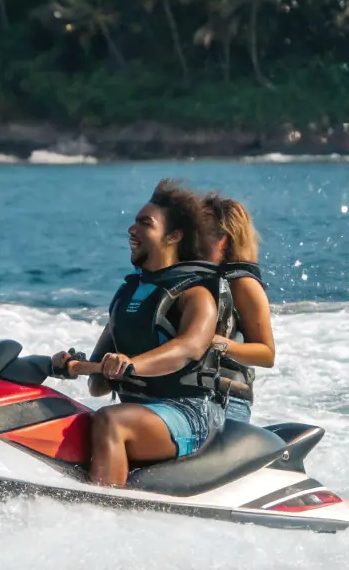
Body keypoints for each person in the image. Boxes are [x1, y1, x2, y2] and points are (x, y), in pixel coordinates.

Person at [52, 179, 227, 487]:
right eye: (133, 222)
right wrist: (74, 364)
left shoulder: (196, 296)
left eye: (144, 223)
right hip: (140, 411)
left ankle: (102, 513)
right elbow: (97, 388)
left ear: (174, 236)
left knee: (110, 421)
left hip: (190, 412)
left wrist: (130, 363)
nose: (132, 230)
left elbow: (189, 348)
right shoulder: (128, 296)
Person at [201, 193, 275, 423]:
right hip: (193, 396)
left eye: (201, 233)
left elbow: (266, 354)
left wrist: (213, 342)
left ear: (224, 239)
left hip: (228, 400)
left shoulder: (243, 284)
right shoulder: (193, 279)